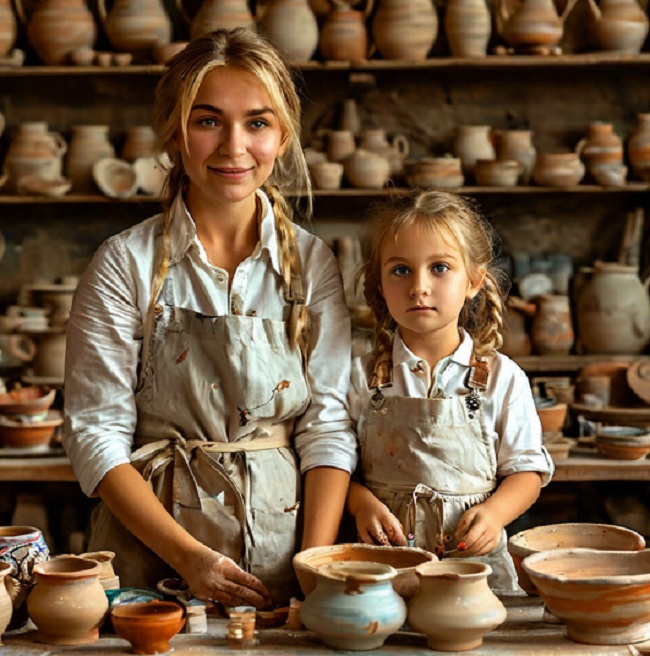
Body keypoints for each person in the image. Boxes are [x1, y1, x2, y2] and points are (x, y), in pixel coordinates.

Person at [62, 28, 357, 609]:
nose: (233, 147)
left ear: (283, 135)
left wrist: (312, 571)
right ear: (174, 131)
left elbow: (327, 426)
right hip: (152, 556)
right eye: (208, 120)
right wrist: (189, 557)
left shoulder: (311, 264)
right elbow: (95, 436)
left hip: (284, 546)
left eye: (257, 122)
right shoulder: (125, 262)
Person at [347, 190, 553, 591]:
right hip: (385, 566)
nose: (419, 287)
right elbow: (338, 468)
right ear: (379, 283)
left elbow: (527, 471)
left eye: (439, 267)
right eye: (401, 270)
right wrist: (360, 502)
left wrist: (494, 515)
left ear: (474, 281)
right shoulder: (359, 375)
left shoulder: (502, 378)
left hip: (474, 568)